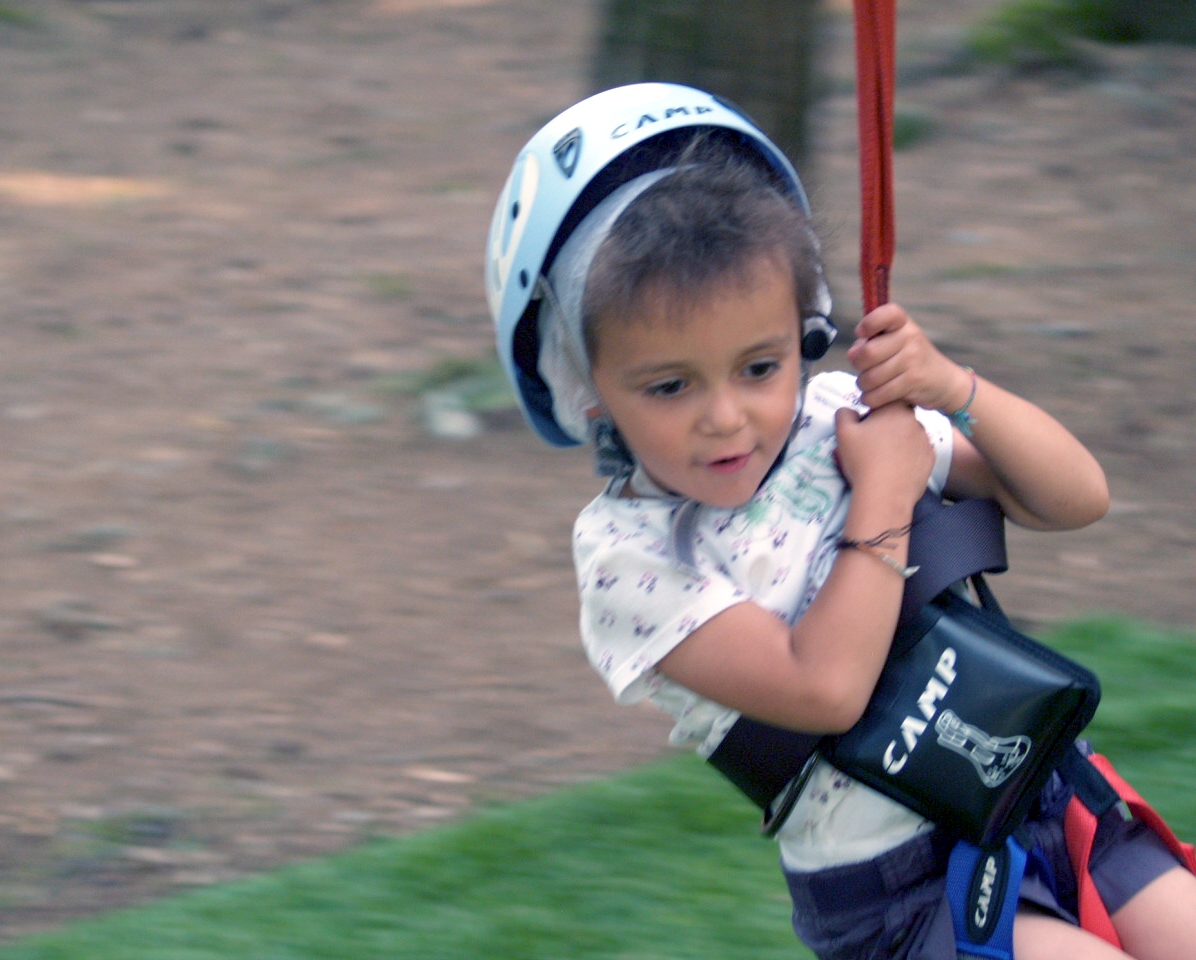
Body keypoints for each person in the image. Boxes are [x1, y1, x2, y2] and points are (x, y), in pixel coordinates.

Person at [484, 82, 1196, 959]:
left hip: (1042, 788)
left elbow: (1075, 498)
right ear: (584, 387)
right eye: (669, 386)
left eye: (758, 365)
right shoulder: (628, 561)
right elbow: (824, 688)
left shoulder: (837, 418)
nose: (726, 418)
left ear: (804, 328)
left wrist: (953, 390)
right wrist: (887, 495)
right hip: (905, 896)